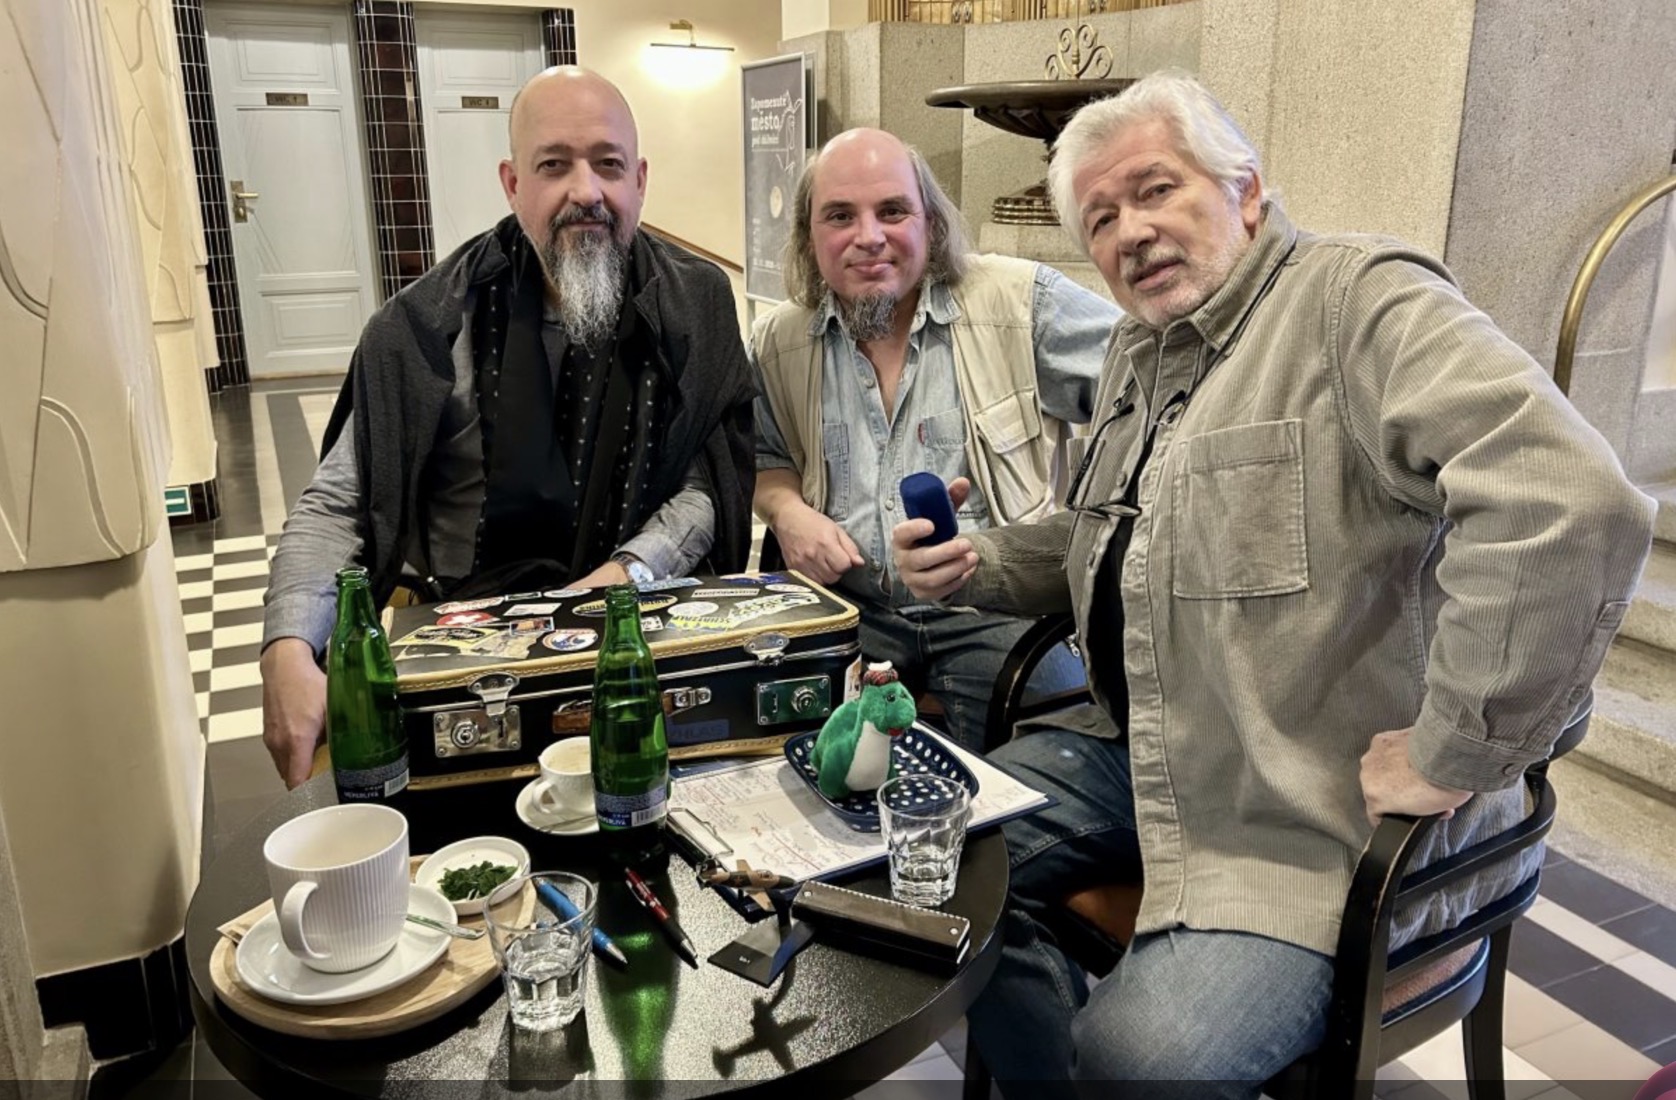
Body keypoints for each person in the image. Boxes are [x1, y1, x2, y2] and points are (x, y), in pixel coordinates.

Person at [893, 70, 1655, 1094]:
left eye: (1157, 190)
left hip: (1311, 820)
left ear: (1244, 189)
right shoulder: (1138, 352)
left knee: (1138, 1060)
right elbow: (1116, 534)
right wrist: (978, 563)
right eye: (1101, 218)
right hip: (1149, 755)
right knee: (926, 865)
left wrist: (1456, 749)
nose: (1131, 232)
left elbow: (1566, 499)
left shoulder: (1356, 303)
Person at [260, 67, 757, 787]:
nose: (586, 191)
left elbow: (707, 483)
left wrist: (617, 580)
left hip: (638, 638)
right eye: (554, 165)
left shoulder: (695, 305)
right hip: (467, 650)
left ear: (640, 180)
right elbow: (340, 503)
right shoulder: (427, 327)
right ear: (512, 183)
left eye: (608, 165)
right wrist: (287, 646)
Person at [751, 127, 1120, 750]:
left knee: (1055, 766)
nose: (869, 236)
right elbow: (767, 458)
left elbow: (1154, 389)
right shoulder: (777, 342)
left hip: (998, 618)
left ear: (932, 222)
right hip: (852, 612)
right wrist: (787, 512)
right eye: (840, 216)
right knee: (789, 759)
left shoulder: (1022, 305)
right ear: (809, 237)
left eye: (893, 210)